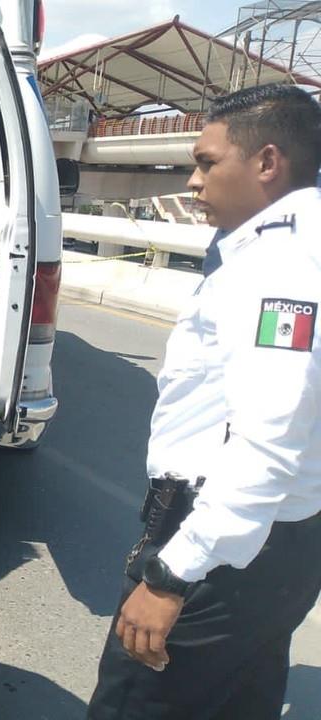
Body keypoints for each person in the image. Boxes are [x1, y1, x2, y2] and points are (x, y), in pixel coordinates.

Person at [87, 85, 321, 719]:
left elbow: (268, 435)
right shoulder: (301, 247)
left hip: (223, 548)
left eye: (208, 162)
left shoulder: (277, 264)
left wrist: (173, 575)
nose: (193, 181)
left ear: (267, 162)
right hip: (285, 541)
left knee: (136, 704)